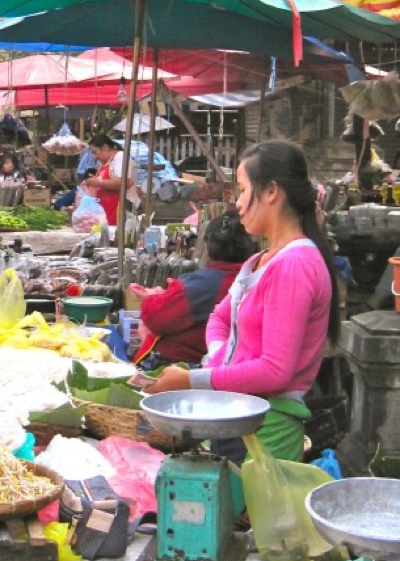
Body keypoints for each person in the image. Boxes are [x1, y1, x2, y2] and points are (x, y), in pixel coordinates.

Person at [145, 140, 340, 463]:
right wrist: (222, 356)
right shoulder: (261, 261)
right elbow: (219, 319)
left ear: (272, 193)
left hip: (267, 429)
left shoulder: (294, 265)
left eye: (243, 189)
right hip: (237, 414)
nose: (238, 204)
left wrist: (193, 379)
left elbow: (275, 371)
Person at [129, 212, 258, 370]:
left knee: (144, 327)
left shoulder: (203, 284)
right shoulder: (257, 278)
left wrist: (154, 297)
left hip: (186, 367)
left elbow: (154, 317)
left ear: (208, 248)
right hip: (229, 367)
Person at [82, 133, 139, 226]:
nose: (94, 156)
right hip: (108, 210)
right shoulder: (107, 162)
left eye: (95, 152)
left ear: (104, 147)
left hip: (123, 208)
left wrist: (98, 182)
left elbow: (124, 183)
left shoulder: (121, 158)